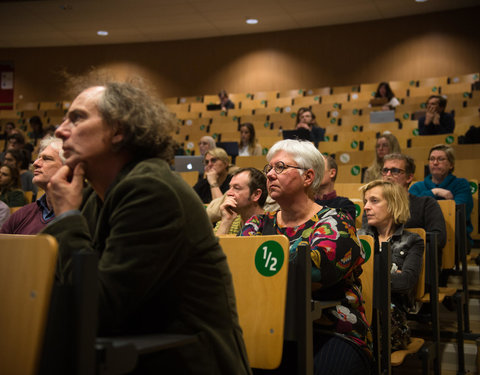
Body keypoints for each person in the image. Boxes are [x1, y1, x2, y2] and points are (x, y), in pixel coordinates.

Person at [43, 80, 250, 374]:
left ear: (118, 130)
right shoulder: (91, 196)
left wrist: (65, 219)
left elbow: (96, 311)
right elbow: (43, 288)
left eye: (77, 118)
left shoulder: (150, 189)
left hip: (185, 364)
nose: (61, 130)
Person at [241, 139, 371, 375]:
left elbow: (312, 274)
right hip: (270, 327)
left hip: (331, 329)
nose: (270, 174)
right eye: (268, 168)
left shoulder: (336, 222)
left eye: (279, 167)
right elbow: (240, 272)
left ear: (308, 177)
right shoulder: (257, 223)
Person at [358, 180, 424, 351]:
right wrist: (388, 276)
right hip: (360, 309)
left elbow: (406, 282)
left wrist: (365, 277)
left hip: (392, 318)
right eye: (365, 201)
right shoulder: (358, 237)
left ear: (394, 204)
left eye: (374, 200)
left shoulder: (412, 240)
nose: (366, 207)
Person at [409, 144, 473, 243]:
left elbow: (459, 213)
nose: (435, 163)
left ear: (451, 164)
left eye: (441, 159)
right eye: (432, 159)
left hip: (455, 239)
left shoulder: (461, 184)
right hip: (420, 239)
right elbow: (411, 210)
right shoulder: (416, 187)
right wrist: (434, 192)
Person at [1, 136, 64, 234]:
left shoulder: (85, 214)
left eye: (47, 159)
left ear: (68, 167)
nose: (35, 163)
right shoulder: (22, 215)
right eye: (38, 158)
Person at [215, 167, 267, 235]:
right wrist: (226, 221)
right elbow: (214, 245)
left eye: (236, 188)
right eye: (230, 188)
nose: (228, 193)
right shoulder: (228, 220)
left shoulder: (270, 224)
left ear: (256, 194)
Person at [315, 155, 356, 220]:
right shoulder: (306, 203)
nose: (314, 172)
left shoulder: (345, 205)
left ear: (332, 173)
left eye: (319, 168)